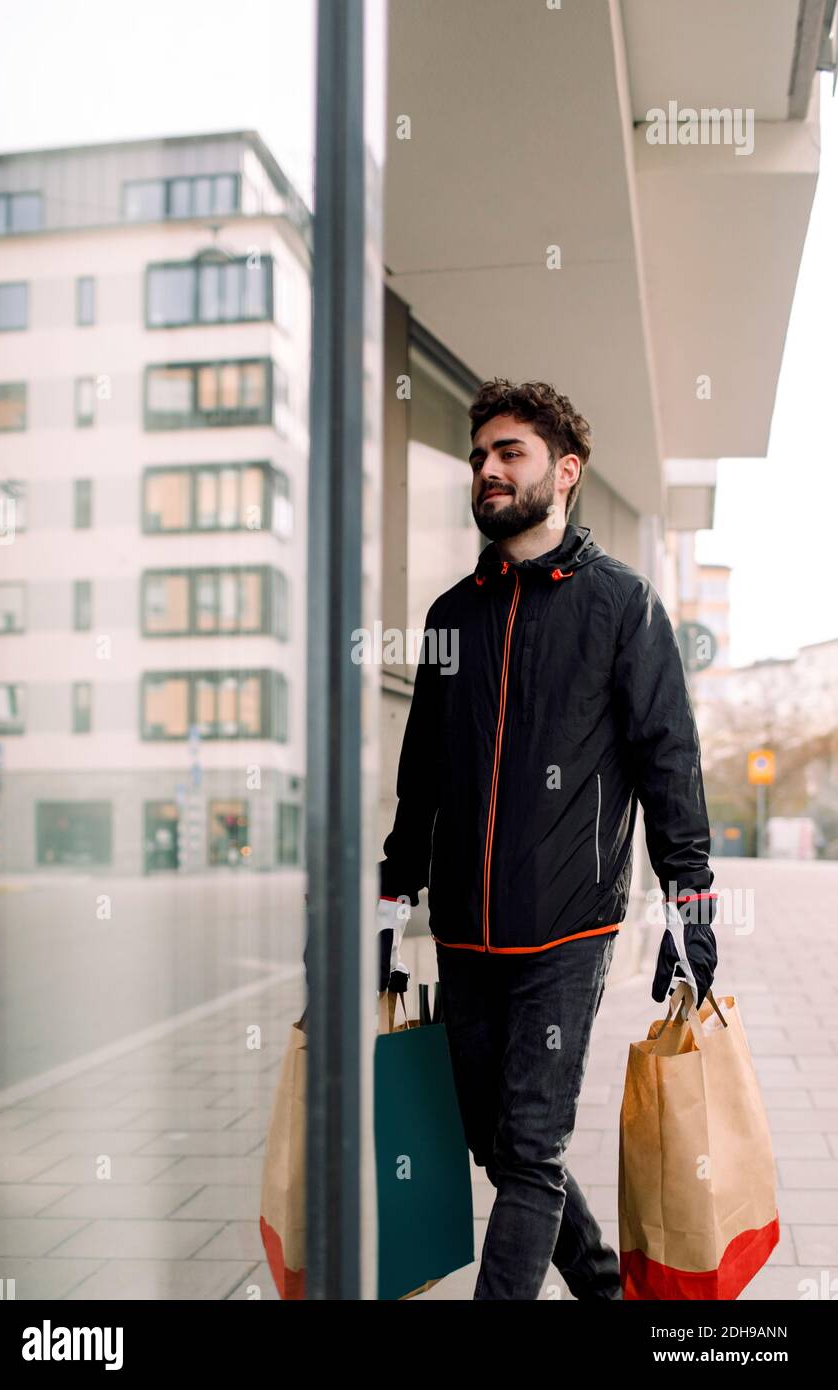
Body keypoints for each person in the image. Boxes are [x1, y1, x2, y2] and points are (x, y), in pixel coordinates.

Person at [376, 378, 718, 1301]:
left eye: (509, 453)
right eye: (479, 455)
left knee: (531, 1150)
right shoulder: (453, 615)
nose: (486, 469)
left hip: (567, 929)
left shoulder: (623, 605)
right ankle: (605, 1288)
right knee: (494, 1140)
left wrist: (693, 905)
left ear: (563, 473)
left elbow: (668, 761)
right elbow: (425, 774)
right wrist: (391, 891)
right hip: (466, 930)